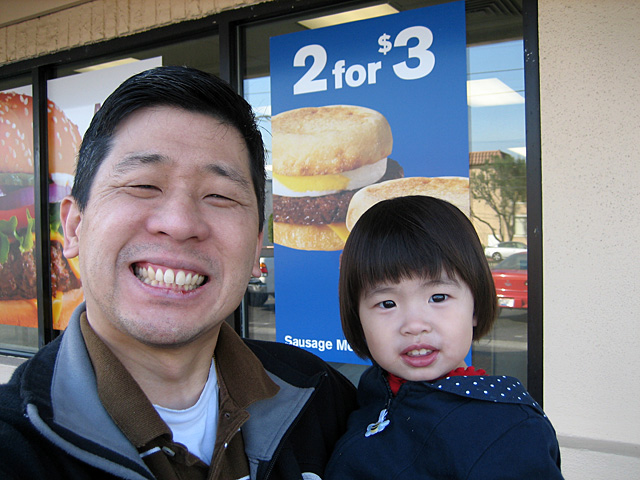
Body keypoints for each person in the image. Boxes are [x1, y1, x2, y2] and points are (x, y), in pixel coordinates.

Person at [0, 66, 357, 480]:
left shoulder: (321, 399)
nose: (180, 222)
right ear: (75, 225)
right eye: (143, 185)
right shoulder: (17, 447)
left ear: (257, 241)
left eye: (220, 195)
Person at [325, 195, 563, 479]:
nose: (414, 325)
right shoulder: (372, 389)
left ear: (475, 305)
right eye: (387, 304)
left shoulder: (508, 428)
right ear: (358, 317)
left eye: (438, 297)